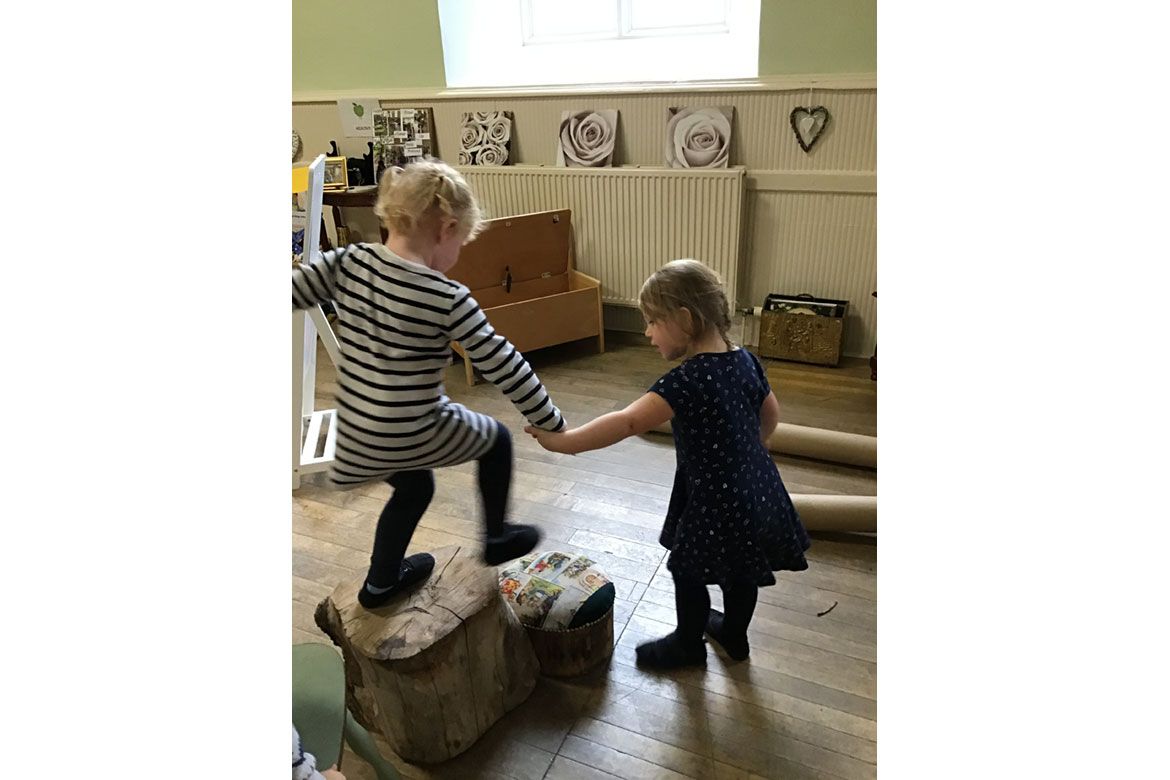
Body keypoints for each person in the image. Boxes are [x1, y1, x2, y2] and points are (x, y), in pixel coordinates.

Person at [292, 159, 566, 609]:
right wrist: (549, 420)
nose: (457, 255)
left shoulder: (348, 261)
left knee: (415, 487)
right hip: (410, 428)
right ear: (447, 229)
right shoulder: (446, 295)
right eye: (460, 242)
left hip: (356, 433)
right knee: (495, 439)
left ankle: (380, 583)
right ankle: (496, 536)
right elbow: (502, 361)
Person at [526, 259, 810, 669]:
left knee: (688, 570)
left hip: (715, 498)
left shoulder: (686, 381)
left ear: (684, 320)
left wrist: (564, 443)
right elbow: (771, 415)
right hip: (760, 485)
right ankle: (734, 635)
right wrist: (754, 448)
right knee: (742, 571)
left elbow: (625, 422)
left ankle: (688, 645)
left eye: (652, 322)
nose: (646, 332)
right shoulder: (745, 359)